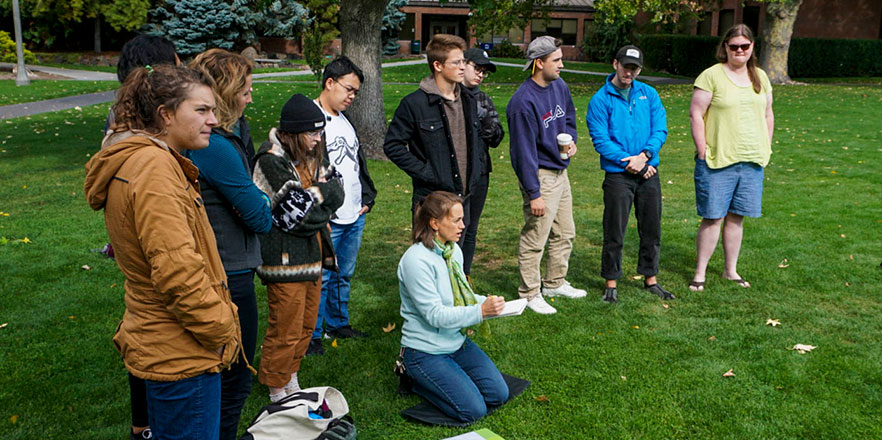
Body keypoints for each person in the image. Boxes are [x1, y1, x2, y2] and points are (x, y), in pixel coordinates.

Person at [84, 64, 242, 440]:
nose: (213, 120)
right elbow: (177, 273)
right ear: (166, 115)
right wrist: (221, 329)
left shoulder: (147, 160)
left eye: (213, 110)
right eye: (201, 110)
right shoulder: (154, 169)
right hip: (181, 352)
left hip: (166, 342)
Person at [187, 48, 272, 440]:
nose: (251, 98)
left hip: (227, 265)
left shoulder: (227, 136)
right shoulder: (215, 148)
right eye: (245, 90)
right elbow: (258, 214)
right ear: (224, 92)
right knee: (234, 378)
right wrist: (263, 201)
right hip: (229, 274)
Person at [104, 33, 180, 440]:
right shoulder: (146, 150)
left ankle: (143, 424)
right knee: (153, 323)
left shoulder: (122, 122)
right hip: (148, 247)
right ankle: (147, 424)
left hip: (135, 247)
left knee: (142, 321)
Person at [252, 94, 344, 402]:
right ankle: (277, 391)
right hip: (284, 262)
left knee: (306, 327)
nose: (319, 140)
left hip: (312, 257)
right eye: (313, 133)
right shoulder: (269, 160)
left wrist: (313, 195)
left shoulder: (309, 152)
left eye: (321, 133)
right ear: (292, 133)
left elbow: (339, 187)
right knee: (285, 328)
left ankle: (291, 378)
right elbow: (297, 216)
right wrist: (322, 199)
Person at [397, 191, 509, 424]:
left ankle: (448, 377)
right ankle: (413, 379)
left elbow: (460, 296)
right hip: (424, 351)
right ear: (434, 223)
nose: (463, 225)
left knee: (499, 394)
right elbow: (434, 315)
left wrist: (489, 303)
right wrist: (480, 312)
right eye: (456, 220)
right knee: (473, 410)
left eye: (462, 219)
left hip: (456, 342)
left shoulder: (452, 250)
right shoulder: (416, 261)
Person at [383, 34, 484, 266]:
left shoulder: (468, 100)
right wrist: (427, 173)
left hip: (464, 197)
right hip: (433, 201)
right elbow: (393, 145)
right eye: (456, 62)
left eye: (463, 61)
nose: (463, 67)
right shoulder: (415, 104)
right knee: (430, 264)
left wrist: (475, 174)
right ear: (437, 66)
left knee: (456, 263)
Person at [688, 24, 774, 291]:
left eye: (744, 46)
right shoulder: (711, 76)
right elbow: (696, 114)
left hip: (751, 159)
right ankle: (700, 273)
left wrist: (766, 146)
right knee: (713, 217)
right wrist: (702, 150)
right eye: (734, 46)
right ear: (725, 47)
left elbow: (768, 114)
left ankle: (730, 271)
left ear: (751, 48)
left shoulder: (760, 76)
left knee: (737, 217)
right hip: (717, 159)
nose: (739, 51)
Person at [586, 45, 674, 303]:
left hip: (648, 171)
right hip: (618, 176)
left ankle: (650, 279)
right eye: (625, 66)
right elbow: (601, 140)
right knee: (614, 229)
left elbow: (660, 130)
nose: (629, 72)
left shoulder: (649, 94)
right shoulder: (600, 99)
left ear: (640, 70)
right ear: (615, 64)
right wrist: (633, 163)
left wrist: (645, 157)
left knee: (651, 228)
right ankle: (611, 282)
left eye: (634, 68)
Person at [506, 36, 587, 315]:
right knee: (535, 237)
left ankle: (554, 282)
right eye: (557, 60)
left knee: (565, 232)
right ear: (539, 63)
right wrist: (533, 193)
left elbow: (569, 119)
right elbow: (522, 153)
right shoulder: (522, 102)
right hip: (539, 175)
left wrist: (572, 141)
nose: (562, 65)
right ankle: (529, 293)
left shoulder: (559, 86)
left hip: (560, 172)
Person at [307, 56, 377, 356]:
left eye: (355, 92)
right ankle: (311, 335)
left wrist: (366, 198)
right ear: (329, 83)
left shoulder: (345, 120)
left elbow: (354, 164)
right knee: (320, 277)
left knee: (343, 274)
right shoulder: (310, 119)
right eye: (348, 89)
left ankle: (338, 323)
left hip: (354, 214)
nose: (352, 96)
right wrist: (320, 210)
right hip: (328, 217)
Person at [460, 47, 504, 276]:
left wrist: (486, 122)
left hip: (480, 172)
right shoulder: (451, 96)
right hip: (457, 174)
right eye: (477, 69)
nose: (480, 75)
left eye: (484, 72)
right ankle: (449, 277)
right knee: (457, 228)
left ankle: (465, 276)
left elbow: (497, 136)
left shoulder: (483, 99)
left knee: (471, 229)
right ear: (463, 64)